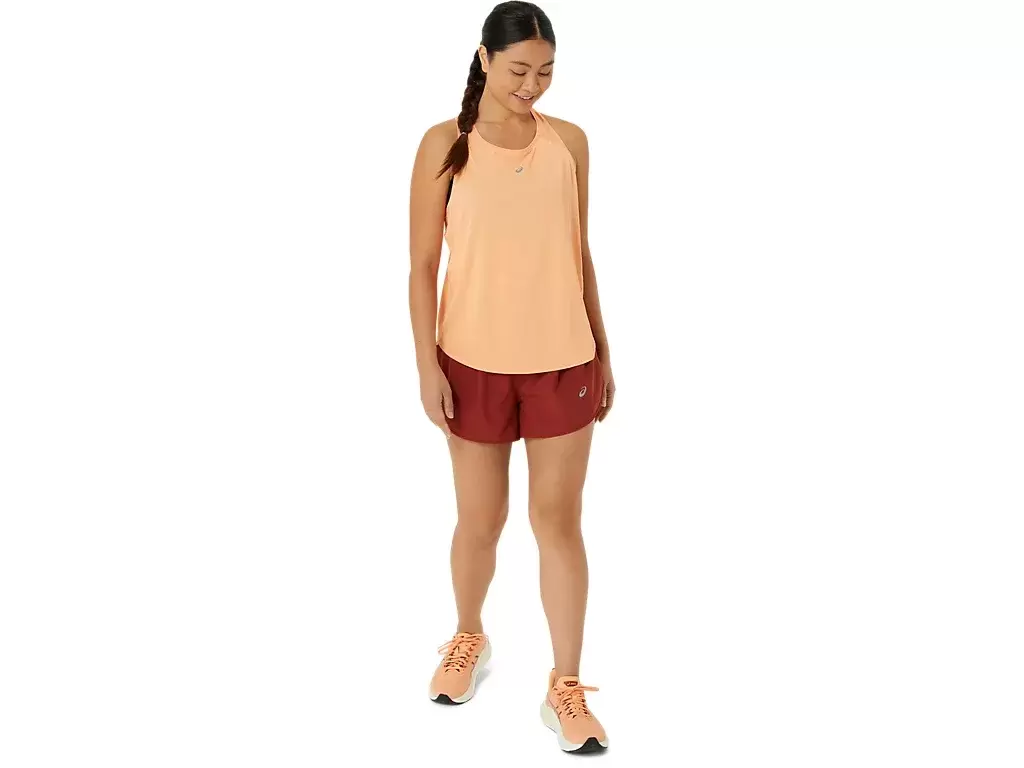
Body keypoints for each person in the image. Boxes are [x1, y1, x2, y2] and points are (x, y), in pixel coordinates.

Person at [407, 1, 616, 754]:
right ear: (485, 59)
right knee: (480, 521)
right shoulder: (445, 144)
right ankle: (469, 636)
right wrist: (426, 365)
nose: (532, 85)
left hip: (563, 361)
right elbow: (422, 265)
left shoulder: (571, 143)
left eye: (546, 72)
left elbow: (578, 251)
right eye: (520, 70)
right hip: (471, 363)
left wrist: (603, 348)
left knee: (558, 524)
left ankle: (566, 685)